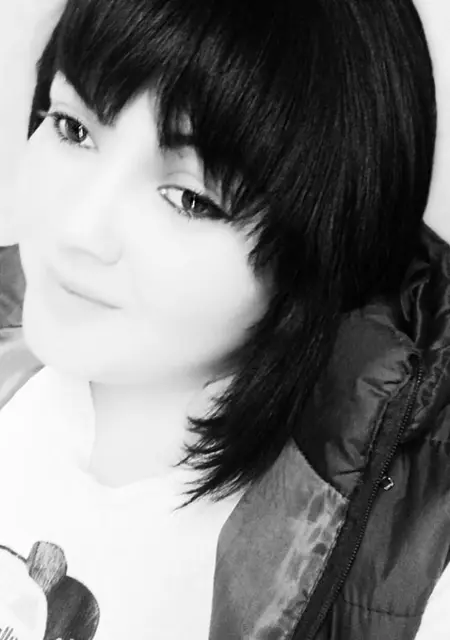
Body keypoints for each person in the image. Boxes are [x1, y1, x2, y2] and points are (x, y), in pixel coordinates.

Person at [0, 0, 444, 637]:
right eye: (73, 129)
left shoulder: (401, 579)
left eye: (189, 198)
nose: (78, 229)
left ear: (319, 255)